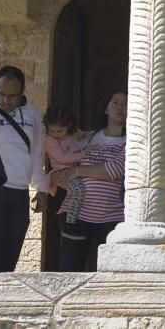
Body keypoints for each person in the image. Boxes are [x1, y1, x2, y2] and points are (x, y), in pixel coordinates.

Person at [0, 66, 47, 272]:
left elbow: (37, 153)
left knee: (10, 256)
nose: (6, 100)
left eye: (12, 96)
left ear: (22, 93)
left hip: (20, 192)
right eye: (1, 94)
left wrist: (41, 187)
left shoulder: (32, 114)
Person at [54, 91, 127, 272]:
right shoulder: (87, 138)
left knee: (111, 272)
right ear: (106, 109)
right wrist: (61, 176)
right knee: (69, 270)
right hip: (77, 213)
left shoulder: (132, 141)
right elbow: (63, 162)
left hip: (113, 216)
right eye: (115, 102)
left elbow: (115, 169)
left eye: (126, 104)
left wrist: (78, 171)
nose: (120, 107)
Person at [43, 105, 91, 225]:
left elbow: (87, 136)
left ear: (69, 125)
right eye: (51, 130)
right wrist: (84, 153)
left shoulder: (75, 133)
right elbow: (62, 158)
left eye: (59, 131)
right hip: (61, 171)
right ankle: (70, 221)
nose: (55, 134)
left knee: (88, 190)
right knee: (78, 190)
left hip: (78, 170)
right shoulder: (49, 140)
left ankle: (82, 218)